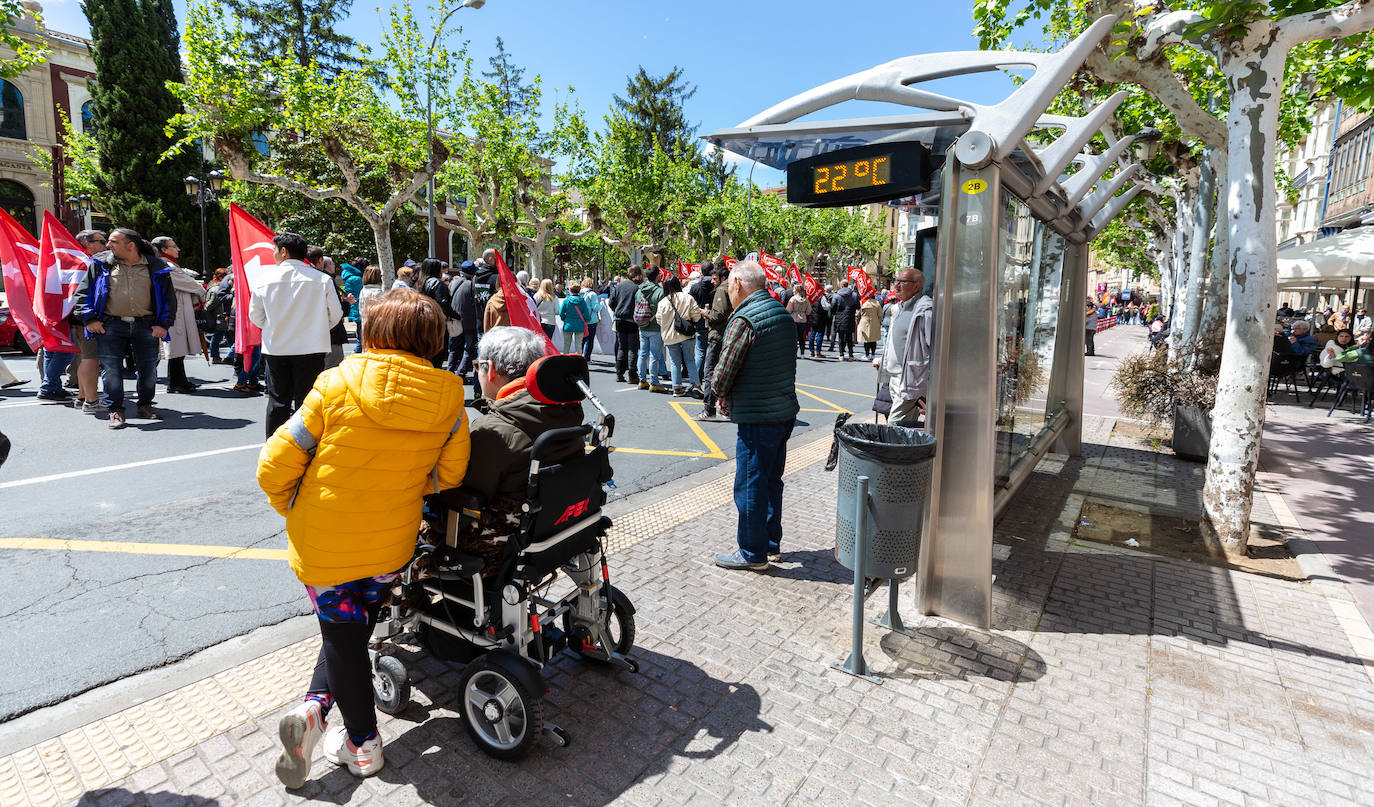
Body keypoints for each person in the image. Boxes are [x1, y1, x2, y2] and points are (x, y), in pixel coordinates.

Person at [260, 289, 469, 788]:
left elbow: (275, 465)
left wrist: (291, 504)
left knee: (341, 633)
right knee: (349, 633)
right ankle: (315, 709)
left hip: (325, 542)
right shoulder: (450, 395)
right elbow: (450, 474)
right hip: (389, 543)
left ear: (373, 332)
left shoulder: (335, 385)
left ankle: (363, 744)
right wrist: (404, 484)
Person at [455, 326, 585, 568]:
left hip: (502, 548)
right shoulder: (565, 411)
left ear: (490, 369)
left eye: (477, 366)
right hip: (556, 529)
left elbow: (464, 493)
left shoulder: (492, 431)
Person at [710, 261, 799, 571]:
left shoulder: (744, 318)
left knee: (750, 484)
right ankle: (771, 544)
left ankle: (752, 552)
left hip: (758, 416)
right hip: (783, 412)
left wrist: (720, 393)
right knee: (772, 481)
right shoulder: (781, 314)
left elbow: (723, 372)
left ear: (737, 284)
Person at [72, 228, 177, 429]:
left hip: (146, 325)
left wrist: (163, 324)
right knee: (111, 370)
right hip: (111, 325)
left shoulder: (156, 266)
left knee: (148, 370)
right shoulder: (100, 264)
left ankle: (145, 405)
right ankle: (116, 410)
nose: (108, 245)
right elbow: (82, 294)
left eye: (113, 242)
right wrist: (90, 319)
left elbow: (169, 299)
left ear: (131, 245)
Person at [248, 232, 343, 439]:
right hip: (312, 347)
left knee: (277, 400)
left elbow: (255, 316)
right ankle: (305, 446)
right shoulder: (321, 279)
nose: (273, 254)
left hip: (277, 347)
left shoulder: (264, 279)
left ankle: (274, 446)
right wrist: (316, 327)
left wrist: (275, 326)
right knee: (307, 400)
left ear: (283, 252)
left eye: (275, 250)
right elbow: (336, 314)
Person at [874, 269, 934, 423]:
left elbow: (933, 347)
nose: (897, 285)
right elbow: (897, 342)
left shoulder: (925, 309)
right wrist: (883, 361)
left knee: (894, 425)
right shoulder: (899, 307)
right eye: (896, 281)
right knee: (905, 426)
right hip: (894, 378)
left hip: (910, 379)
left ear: (917, 286)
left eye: (903, 282)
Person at [151, 236, 206, 395]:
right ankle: (176, 382)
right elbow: (190, 284)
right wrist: (202, 292)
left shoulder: (168, 264)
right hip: (176, 312)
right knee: (176, 349)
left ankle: (178, 381)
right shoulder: (167, 266)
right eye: (174, 246)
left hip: (177, 310)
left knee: (178, 350)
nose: (178, 249)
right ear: (164, 250)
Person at [66, 229, 107, 411]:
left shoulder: (78, 262)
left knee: (85, 358)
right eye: (102, 241)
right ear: (88, 244)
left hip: (78, 318)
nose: (106, 245)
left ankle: (83, 397)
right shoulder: (86, 263)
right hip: (86, 319)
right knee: (91, 359)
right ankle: (91, 401)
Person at [656, 274, 703, 396]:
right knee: (690, 360)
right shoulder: (688, 298)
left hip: (670, 336)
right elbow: (697, 316)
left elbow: (659, 320)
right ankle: (696, 384)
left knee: (674, 362)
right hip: (687, 334)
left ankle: (677, 387)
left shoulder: (662, 302)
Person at [414, 258, 457, 367]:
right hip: (437, 324)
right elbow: (444, 305)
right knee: (437, 354)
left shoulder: (420, 283)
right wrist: (456, 315)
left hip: (422, 322)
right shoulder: (438, 283)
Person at [635, 267, 668, 392]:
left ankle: (642, 380)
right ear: (657, 276)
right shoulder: (660, 292)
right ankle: (654, 382)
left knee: (643, 354)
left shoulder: (639, 290)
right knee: (655, 355)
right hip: (655, 327)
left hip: (642, 326)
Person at [610, 265, 643, 384]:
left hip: (619, 319)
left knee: (621, 347)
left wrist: (617, 310)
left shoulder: (619, 286)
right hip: (631, 320)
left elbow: (611, 302)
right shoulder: (637, 288)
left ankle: (619, 373)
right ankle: (632, 374)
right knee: (632, 348)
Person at [688, 261, 717, 379]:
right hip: (715, 322)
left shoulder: (695, 287)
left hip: (699, 321)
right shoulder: (717, 286)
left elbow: (689, 304)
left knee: (700, 352)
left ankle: (697, 379)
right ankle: (712, 377)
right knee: (714, 352)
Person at [557, 280, 592, 354]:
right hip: (579, 325)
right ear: (579, 291)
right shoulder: (582, 301)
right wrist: (586, 320)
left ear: (569, 290)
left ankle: (565, 360)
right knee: (578, 345)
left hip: (568, 324)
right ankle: (578, 361)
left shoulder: (566, 301)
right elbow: (586, 315)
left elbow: (561, 313)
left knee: (566, 345)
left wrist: (565, 319)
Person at [831, 280, 859, 360]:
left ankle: (841, 354)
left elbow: (833, 307)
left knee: (840, 336)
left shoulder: (836, 295)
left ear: (841, 285)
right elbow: (858, 306)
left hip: (839, 318)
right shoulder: (854, 295)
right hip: (850, 317)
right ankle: (851, 355)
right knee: (849, 337)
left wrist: (835, 313)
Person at [785, 284, 811, 357]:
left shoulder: (792, 299)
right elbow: (809, 311)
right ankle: (802, 353)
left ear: (796, 290)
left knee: (794, 338)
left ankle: (794, 353)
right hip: (803, 320)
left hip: (793, 319)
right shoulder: (806, 299)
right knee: (802, 338)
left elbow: (788, 310)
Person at [580, 276, 601, 362]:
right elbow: (596, 308)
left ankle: (579, 357)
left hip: (580, 319)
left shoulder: (578, 293)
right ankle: (586, 358)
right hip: (591, 320)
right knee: (589, 340)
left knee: (581, 340)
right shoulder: (592, 294)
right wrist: (602, 303)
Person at [857, 293, 882, 360]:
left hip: (864, 322)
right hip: (874, 322)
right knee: (874, 339)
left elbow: (857, 314)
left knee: (866, 340)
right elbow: (880, 314)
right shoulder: (877, 303)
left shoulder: (862, 302)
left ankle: (867, 354)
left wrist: (857, 322)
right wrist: (878, 322)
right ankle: (873, 354)